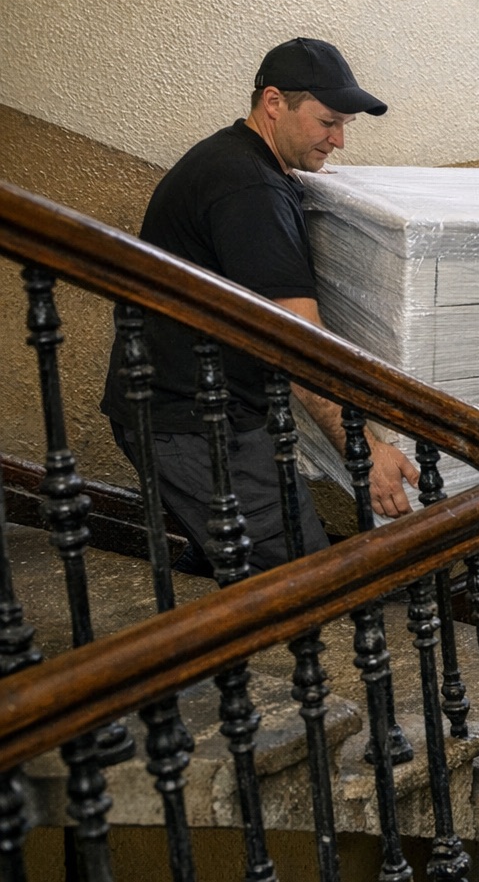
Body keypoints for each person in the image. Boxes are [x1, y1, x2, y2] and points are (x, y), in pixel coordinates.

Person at [101, 37, 419, 576]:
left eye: (345, 126)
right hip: (199, 427)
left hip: (185, 414)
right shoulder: (250, 189)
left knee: (230, 565)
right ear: (274, 103)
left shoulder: (238, 163)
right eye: (327, 122)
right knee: (303, 583)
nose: (338, 140)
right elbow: (296, 344)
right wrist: (363, 450)